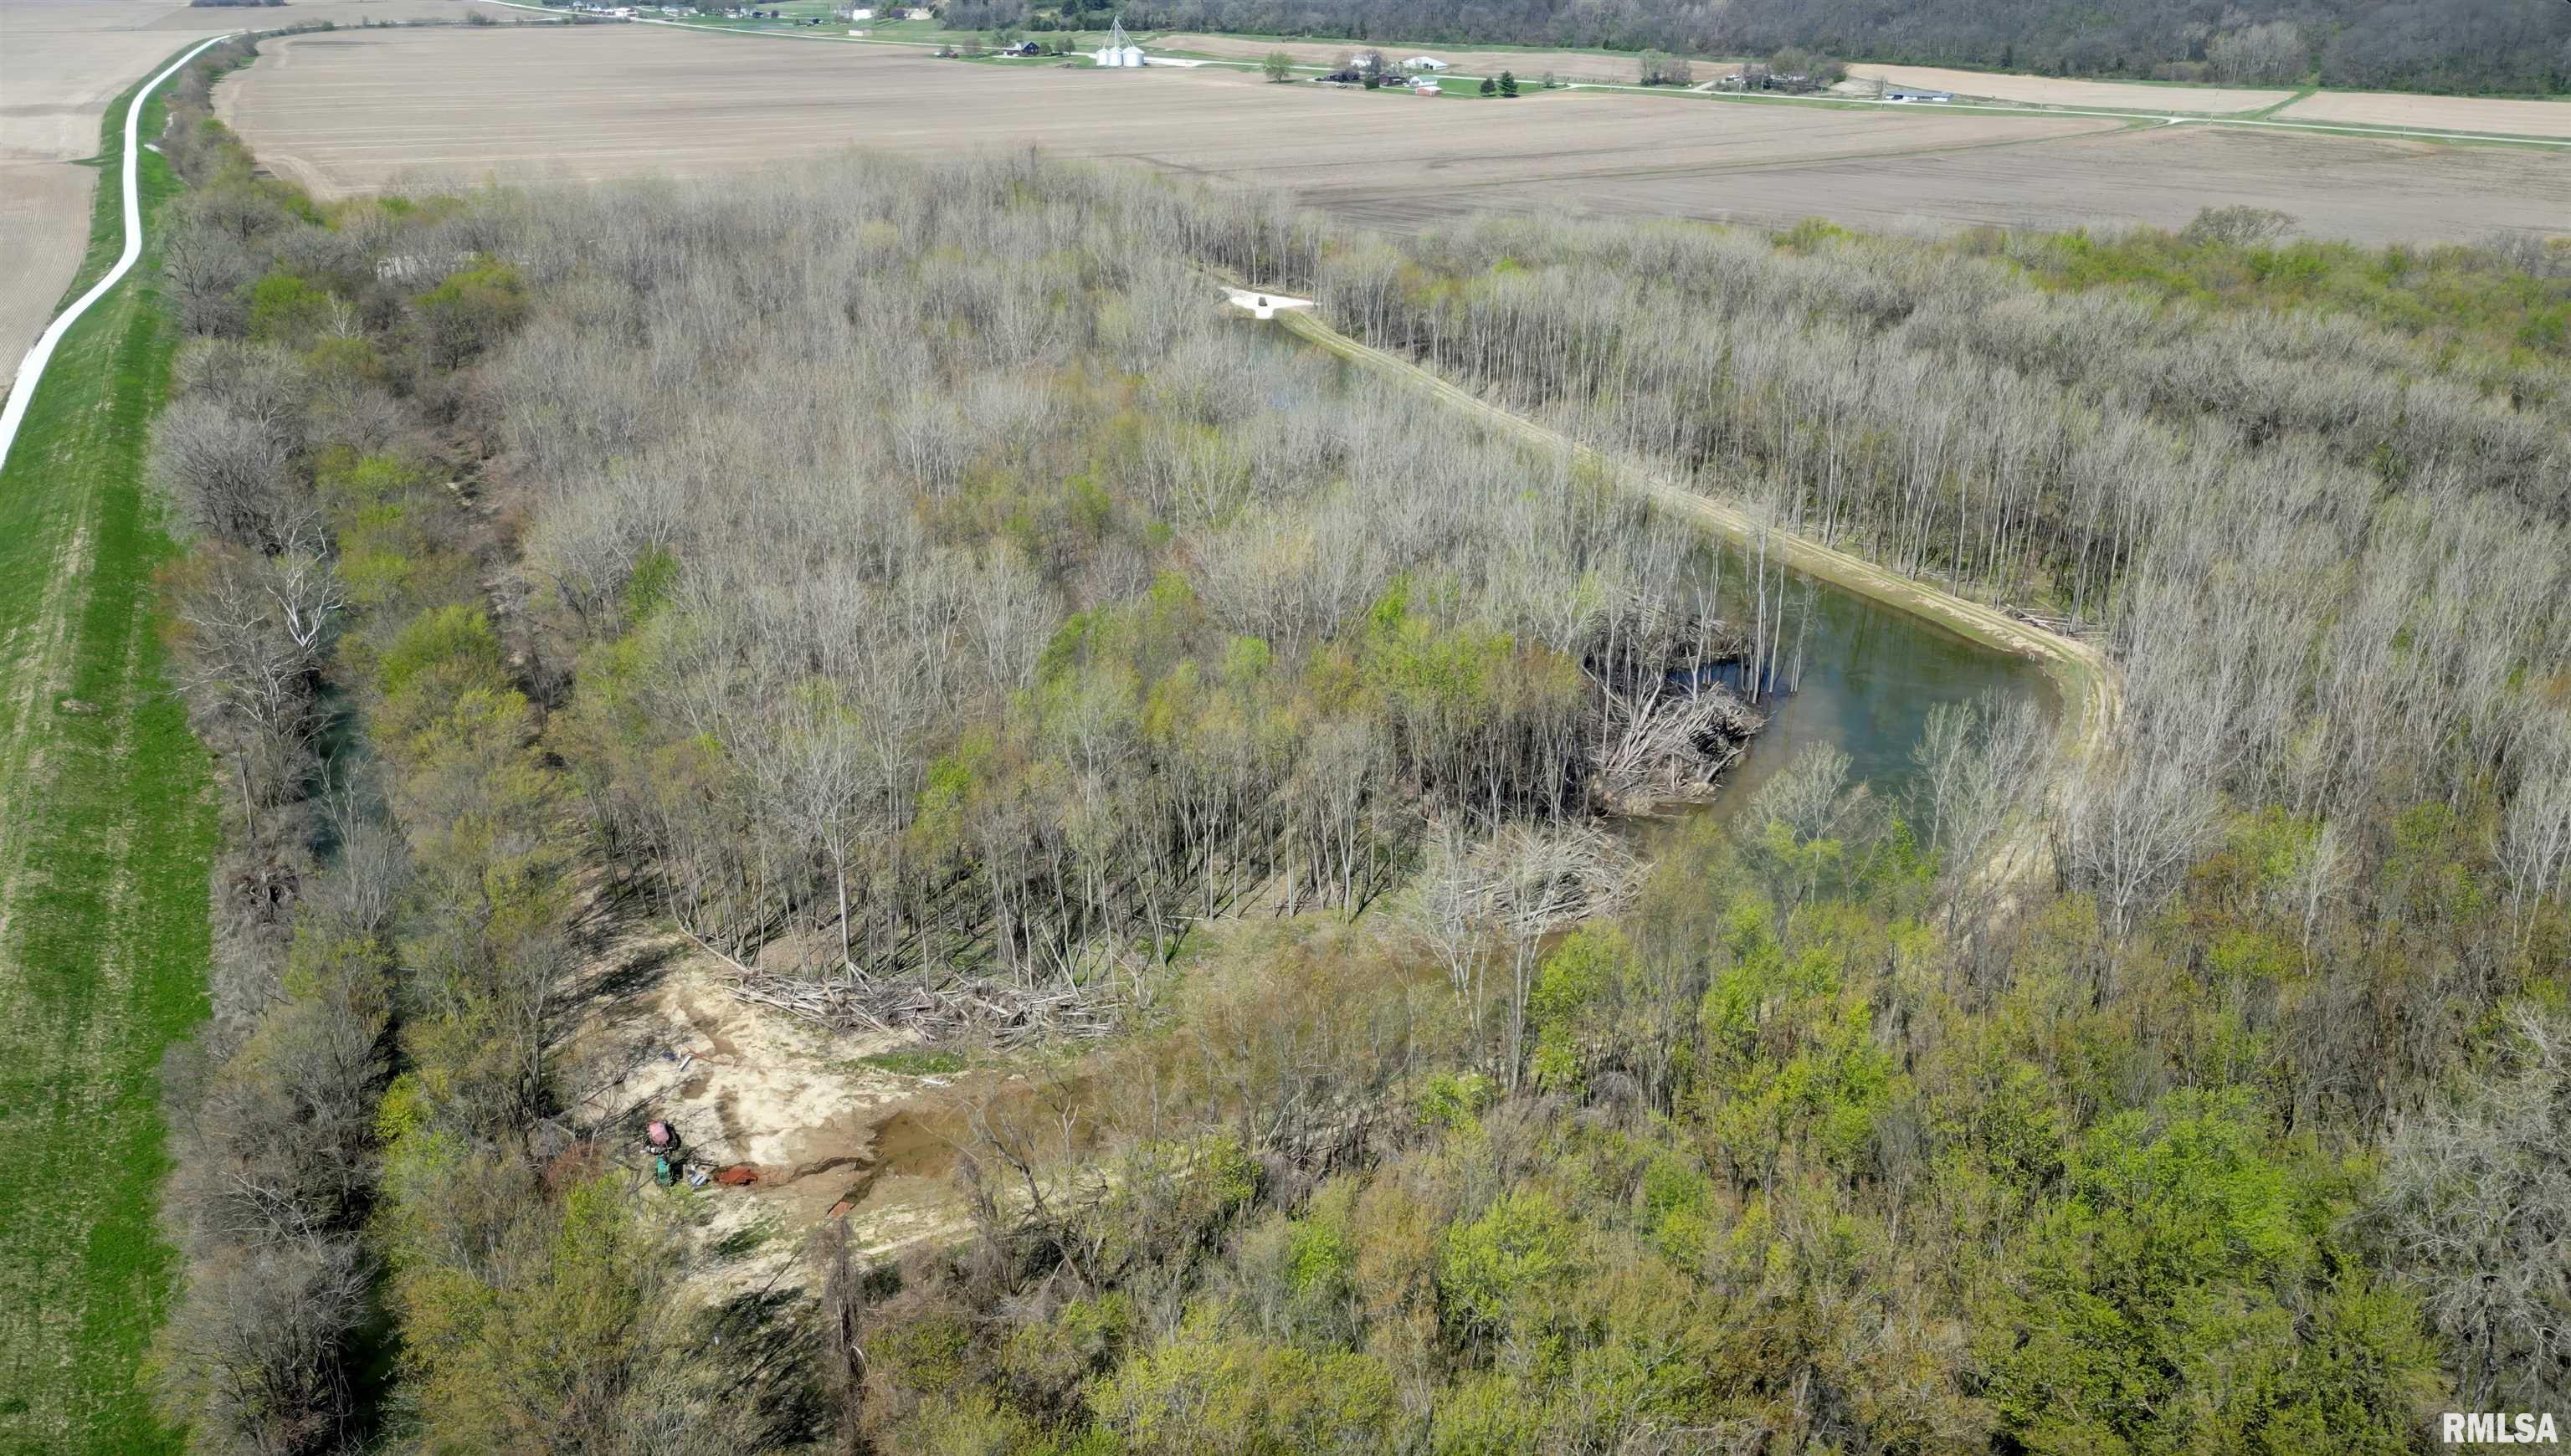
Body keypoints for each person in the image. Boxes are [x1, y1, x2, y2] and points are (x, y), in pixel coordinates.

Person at [644, 1119, 684, 1186]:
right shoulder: (664, 1126)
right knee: (664, 1159)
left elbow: (647, 1145)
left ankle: (666, 1177)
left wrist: (651, 1150)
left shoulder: (651, 1132)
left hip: (661, 1149)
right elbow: (675, 1137)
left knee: (662, 1159)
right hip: (669, 1145)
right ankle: (668, 1175)